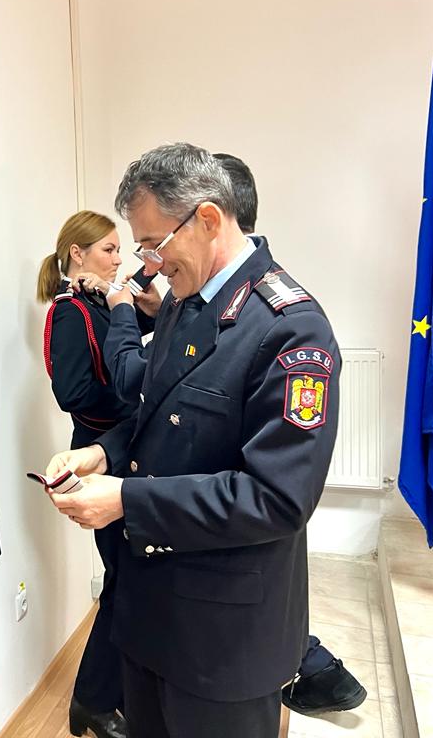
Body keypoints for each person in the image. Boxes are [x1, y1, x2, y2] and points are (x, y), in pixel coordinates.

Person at [46, 142, 341, 737]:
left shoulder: (289, 328)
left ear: (207, 219)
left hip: (224, 639)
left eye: (154, 244)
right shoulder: (187, 302)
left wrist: (125, 499)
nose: (149, 265)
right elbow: (159, 411)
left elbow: (277, 498)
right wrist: (104, 451)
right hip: (152, 614)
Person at [36, 211, 160, 738]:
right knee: (122, 582)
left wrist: (140, 297)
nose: (118, 258)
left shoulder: (96, 303)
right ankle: (92, 699)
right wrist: (139, 395)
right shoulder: (69, 312)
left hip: (124, 451)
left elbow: (145, 331)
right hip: (98, 455)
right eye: (108, 249)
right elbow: (73, 393)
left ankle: (107, 694)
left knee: (129, 580)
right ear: (77, 254)